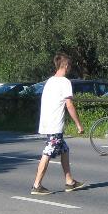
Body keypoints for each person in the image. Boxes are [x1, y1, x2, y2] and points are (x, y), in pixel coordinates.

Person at [31, 53, 85, 195]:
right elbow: (69, 105)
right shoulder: (64, 82)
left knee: (64, 149)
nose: (70, 68)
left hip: (47, 122)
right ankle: (37, 185)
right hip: (55, 124)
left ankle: (70, 181)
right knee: (48, 151)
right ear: (66, 66)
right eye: (70, 66)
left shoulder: (50, 81)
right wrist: (78, 124)